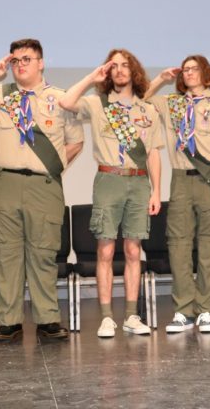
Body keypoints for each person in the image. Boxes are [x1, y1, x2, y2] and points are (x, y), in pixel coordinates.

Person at [0, 38, 84, 341]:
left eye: (26, 59)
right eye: (16, 60)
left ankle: (48, 318)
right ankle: (10, 321)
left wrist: (55, 165)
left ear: (41, 63)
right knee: (5, 254)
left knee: (43, 253)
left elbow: (76, 141)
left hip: (43, 186)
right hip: (4, 184)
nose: (20, 65)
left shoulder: (61, 99)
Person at [59, 49, 162, 338]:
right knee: (104, 250)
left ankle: (131, 314)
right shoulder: (97, 103)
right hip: (109, 179)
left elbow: (153, 153)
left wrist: (157, 191)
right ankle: (106, 317)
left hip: (139, 182)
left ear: (134, 71)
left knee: (132, 250)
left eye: (124, 65)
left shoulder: (147, 110)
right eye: (113, 66)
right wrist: (93, 76)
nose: (118, 70)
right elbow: (66, 101)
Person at [145, 55, 210, 334]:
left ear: (205, 72)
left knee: (207, 247)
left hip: (209, 181)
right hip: (180, 181)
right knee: (178, 246)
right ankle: (183, 310)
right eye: (185, 70)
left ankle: (205, 310)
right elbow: (142, 99)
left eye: (194, 69)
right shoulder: (171, 103)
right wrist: (161, 79)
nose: (189, 73)